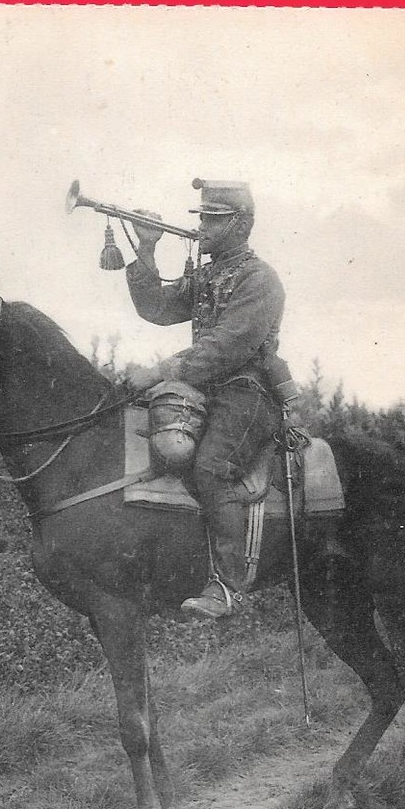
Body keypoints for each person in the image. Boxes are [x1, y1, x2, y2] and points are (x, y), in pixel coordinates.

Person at [125, 177, 297, 620]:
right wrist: (147, 249)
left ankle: (226, 587)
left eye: (212, 219)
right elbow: (156, 309)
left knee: (211, 468)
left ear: (240, 225)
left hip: (248, 393)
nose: (201, 226)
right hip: (203, 391)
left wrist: (159, 373)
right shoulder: (208, 275)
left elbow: (227, 346)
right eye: (201, 217)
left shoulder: (260, 279)